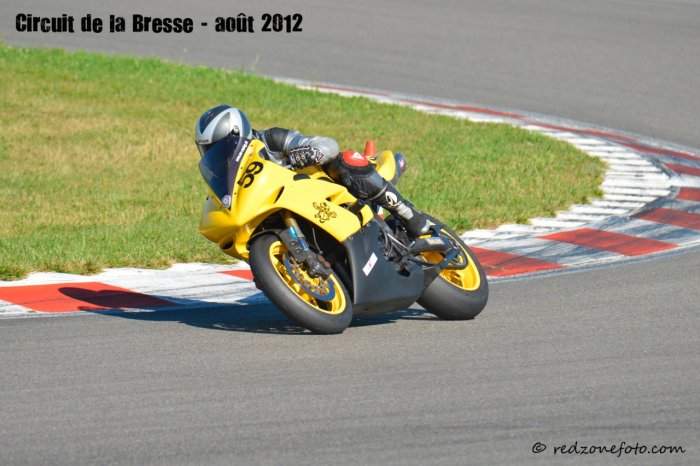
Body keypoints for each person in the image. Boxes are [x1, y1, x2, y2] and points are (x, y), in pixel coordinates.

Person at [195, 105, 430, 237]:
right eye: (208, 150)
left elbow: (328, 145)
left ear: (237, 133)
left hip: (327, 190)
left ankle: (407, 212)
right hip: (291, 211)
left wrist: (309, 153)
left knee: (345, 160)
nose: (216, 154)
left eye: (220, 145)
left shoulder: (271, 139)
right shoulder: (228, 176)